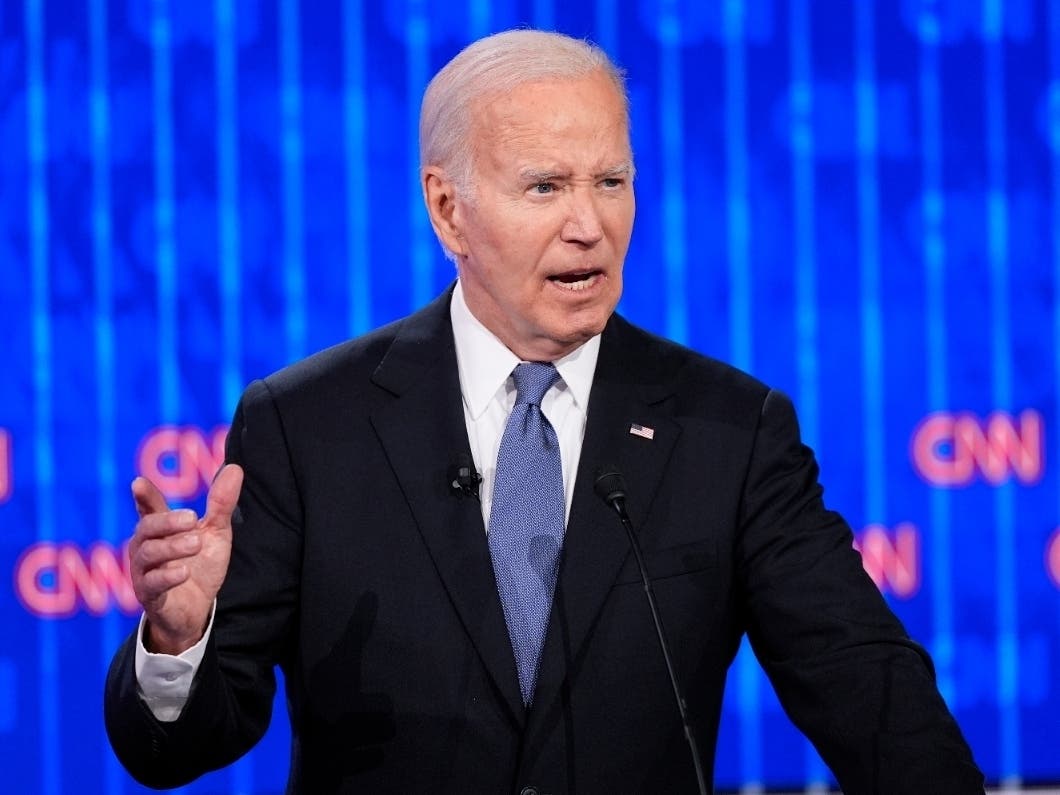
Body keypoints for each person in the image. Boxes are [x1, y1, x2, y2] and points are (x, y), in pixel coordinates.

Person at [104, 28, 984, 794]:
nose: (589, 224)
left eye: (611, 180)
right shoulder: (308, 426)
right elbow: (177, 748)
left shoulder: (729, 430)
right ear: (447, 208)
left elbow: (869, 689)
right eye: (545, 187)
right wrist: (179, 643)